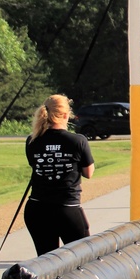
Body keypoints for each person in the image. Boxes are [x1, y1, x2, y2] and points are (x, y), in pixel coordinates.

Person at [24, 94, 95, 257]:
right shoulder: (77, 140)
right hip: (66, 208)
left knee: (46, 261)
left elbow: (34, 165)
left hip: (37, 208)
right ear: (65, 115)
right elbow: (88, 173)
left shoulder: (32, 140)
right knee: (83, 258)